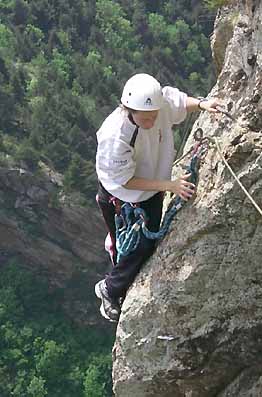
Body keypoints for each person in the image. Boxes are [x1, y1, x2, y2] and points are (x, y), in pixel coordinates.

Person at [95, 73, 220, 322]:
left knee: (144, 244)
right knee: (138, 247)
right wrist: (169, 185)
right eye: (146, 117)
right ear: (129, 109)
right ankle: (109, 290)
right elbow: (125, 181)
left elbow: (179, 102)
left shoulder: (158, 106)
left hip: (152, 188)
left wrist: (203, 104)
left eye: (154, 115)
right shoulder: (115, 136)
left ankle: (115, 254)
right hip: (122, 196)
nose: (152, 121)